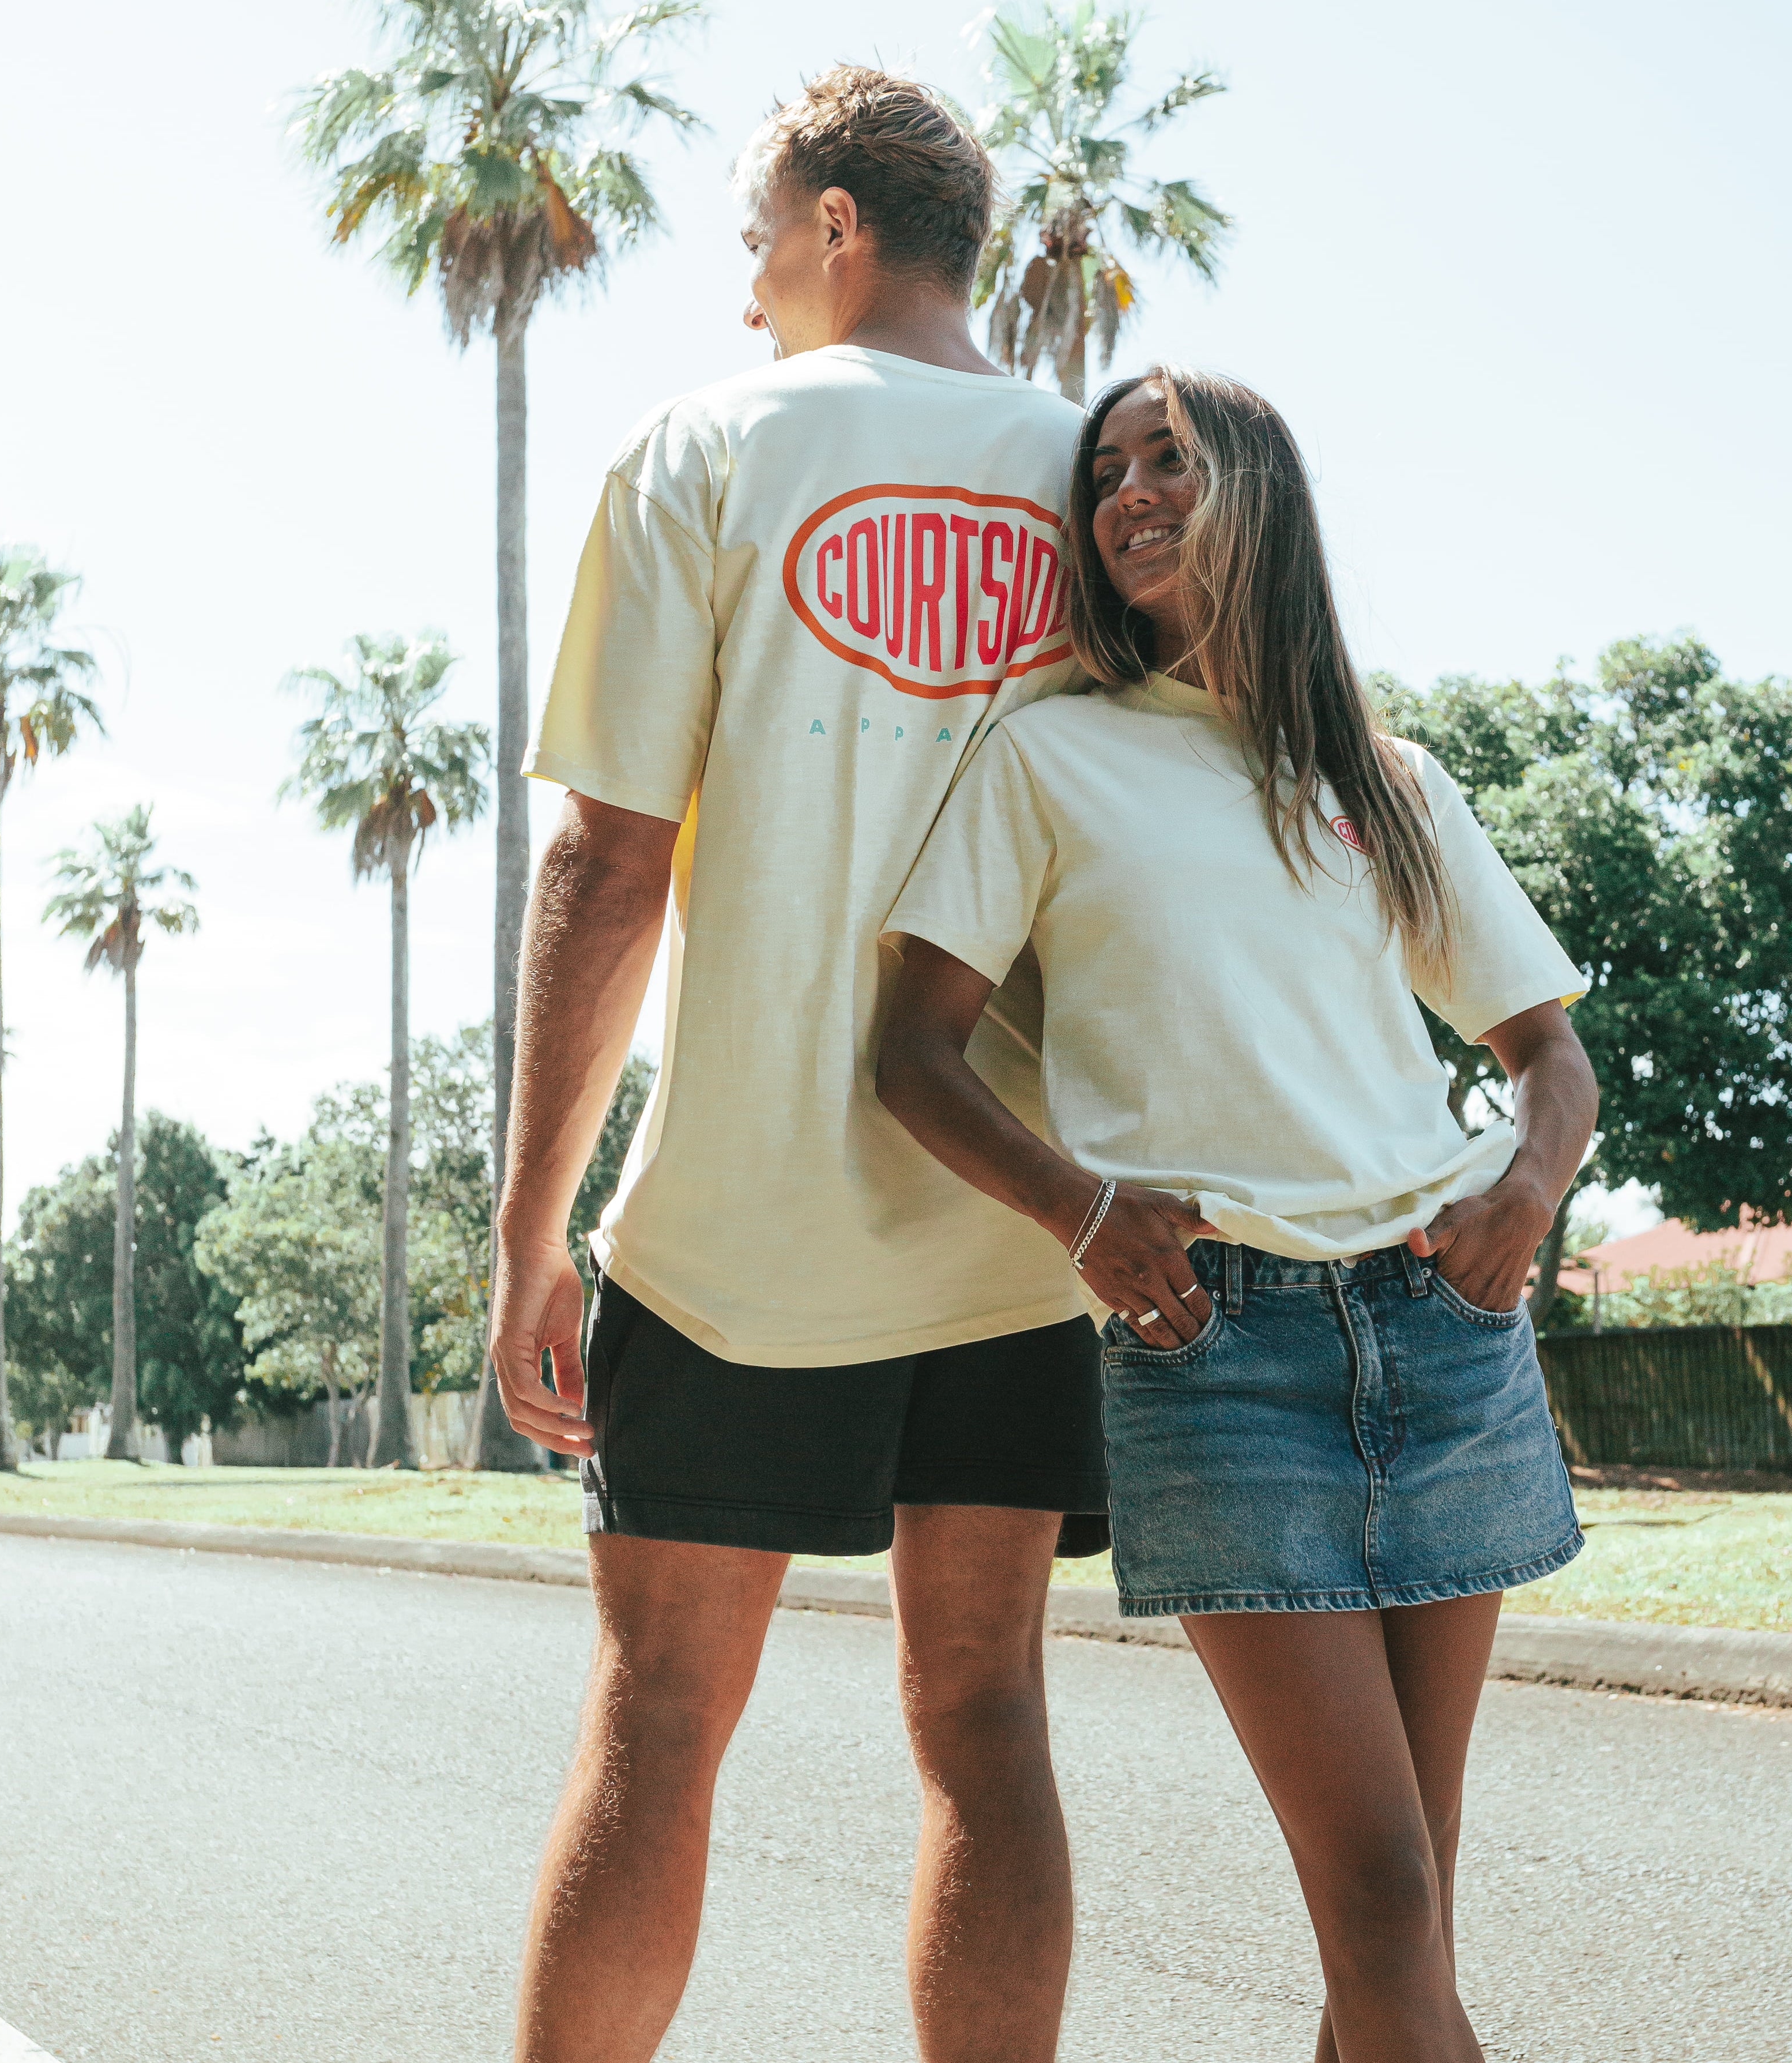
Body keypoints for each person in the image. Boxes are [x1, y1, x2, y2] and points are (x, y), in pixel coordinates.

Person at [487, 67, 1108, 2063]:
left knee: (660, 1722)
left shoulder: (703, 448)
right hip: (1026, 1214)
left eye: (756, 232)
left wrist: (530, 1229)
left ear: (837, 222)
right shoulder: (1111, 473)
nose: (744, 281)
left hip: (742, 1223)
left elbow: (604, 857)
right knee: (988, 1715)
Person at [876, 366, 1598, 2063]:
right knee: (1380, 1896)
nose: (1127, 490)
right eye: (1108, 469)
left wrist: (1525, 1186)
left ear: (1258, 494)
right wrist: (1080, 1211)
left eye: (1169, 462)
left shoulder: (1382, 777)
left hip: (1448, 1339)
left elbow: (1547, 1051)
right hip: (1218, 1349)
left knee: (1406, 1901)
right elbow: (911, 1054)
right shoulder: (1043, 755)